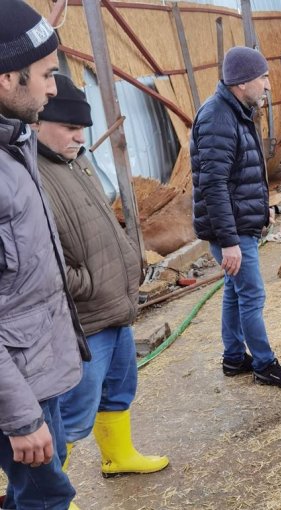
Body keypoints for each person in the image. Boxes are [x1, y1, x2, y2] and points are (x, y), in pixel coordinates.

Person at [35, 74, 170, 479]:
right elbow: (40, 259)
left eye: (83, 128)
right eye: (70, 128)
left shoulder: (74, 162)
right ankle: (51, 498)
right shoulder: (29, 173)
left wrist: (129, 257)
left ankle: (118, 456)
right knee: (73, 413)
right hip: (84, 319)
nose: (80, 137)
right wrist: (87, 284)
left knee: (117, 391)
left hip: (114, 306)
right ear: (37, 122)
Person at [0, 1, 90, 508]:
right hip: (16, 388)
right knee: (45, 500)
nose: (55, 88)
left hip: (37, 369)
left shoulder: (15, 146)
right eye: (47, 74)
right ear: (6, 79)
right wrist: (19, 417)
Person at [191, 46, 281, 388]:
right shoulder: (218, 117)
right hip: (232, 230)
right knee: (251, 295)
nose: (268, 85)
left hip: (240, 223)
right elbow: (213, 184)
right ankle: (265, 365)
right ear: (242, 82)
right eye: (263, 77)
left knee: (235, 291)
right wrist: (228, 241)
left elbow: (243, 173)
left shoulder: (235, 111)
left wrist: (263, 204)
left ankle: (234, 358)